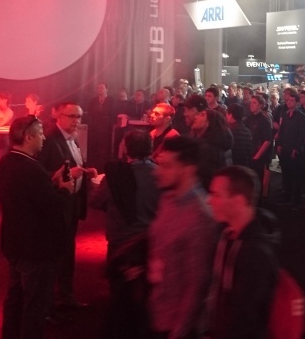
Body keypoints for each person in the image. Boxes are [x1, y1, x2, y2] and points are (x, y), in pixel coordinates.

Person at [0, 116, 72, 339]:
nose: (44, 138)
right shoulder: (32, 169)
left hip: (13, 242)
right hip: (36, 248)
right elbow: (52, 206)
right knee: (35, 305)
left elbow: (27, 195)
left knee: (15, 300)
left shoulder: (5, 163)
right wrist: (65, 189)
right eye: (40, 134)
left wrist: (50, 181)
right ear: (28, 137)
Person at [89, 130, 160, 338]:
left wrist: (95, 182)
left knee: (120, 295)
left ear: (126, 149)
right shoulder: (160, 174)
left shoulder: (115, 176)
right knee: (146, 294)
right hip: (149, 241)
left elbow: (96, 201)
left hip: (120, 241)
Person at [147, 136, 218, 339]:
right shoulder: (168, 198)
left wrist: (179, 330)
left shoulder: (200, 216)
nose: (157, 171)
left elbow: (197, 283)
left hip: (175, 323)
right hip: (157, 309)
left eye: (167, 166)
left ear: (188, 170)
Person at [205, 165, 280, 339]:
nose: (208, 201)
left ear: (238, 202)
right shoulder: (228, 234)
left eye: (216, 195)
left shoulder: (255, 255)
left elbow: (244, 320)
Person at [37, 101, 99, 310]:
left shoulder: (72, 138)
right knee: (58, 256)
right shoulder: (49, 140)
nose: (76, 121)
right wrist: (64, 175)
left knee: (66, 253)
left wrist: (85, 171)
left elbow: (73, 166)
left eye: (79, 116)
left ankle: (64, 297)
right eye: (72, 116)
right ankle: (54, 302)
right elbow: (38, 175)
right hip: (58, 207)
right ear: (59, 117)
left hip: (71, 204)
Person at [274, 88, 305, 206]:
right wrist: (279, 144)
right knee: (286, 174)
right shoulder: (285, 114)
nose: (289, 102)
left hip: (294, 149)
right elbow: (281, 131)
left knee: (296, 175)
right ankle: (287, 196)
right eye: (288, 100)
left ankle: (296, 201)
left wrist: (296, 148)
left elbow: (301, 134)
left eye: (292, 101)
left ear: (297, 103)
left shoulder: (301, 116)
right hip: (285, 148)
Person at [85, 82, 116, 168]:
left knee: (105, 146)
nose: (100, 89)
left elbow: (113, 112)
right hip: (95, 126)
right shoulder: (93, 100)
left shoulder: (111, 100)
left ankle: (104, 164)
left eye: (102, 88)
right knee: (95, 145)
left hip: (107, 126)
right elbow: (90, 112)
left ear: (106, 89)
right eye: (98, 88)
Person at [226, 104, 254, 168]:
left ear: (230, 115)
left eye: (227, 114)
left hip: (234, 166)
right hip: (245, 165)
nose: (226, 116)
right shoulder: (247, 130)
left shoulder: (230, 131)